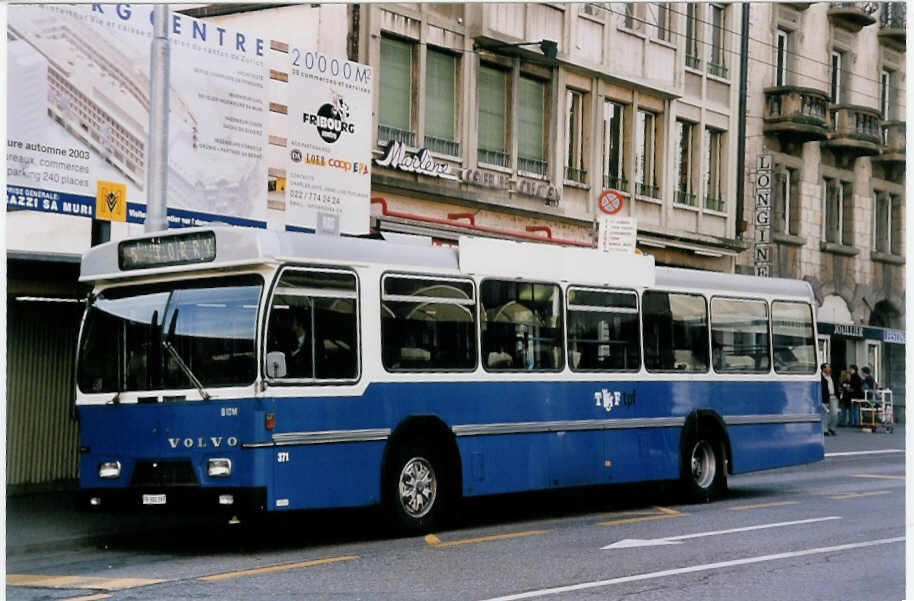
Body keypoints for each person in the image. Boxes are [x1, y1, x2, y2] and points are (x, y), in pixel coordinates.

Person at [286, 312, 312, 377]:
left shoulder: (312, 341)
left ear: (300, 324)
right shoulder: (289, 339)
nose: (290, 323)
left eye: (292, 321)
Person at [820, 362, 838, 436]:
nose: (829, 369)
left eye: (829, 367)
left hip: (833, 396)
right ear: (823, 369)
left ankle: (832, 428)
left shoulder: (832, 376)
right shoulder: (820, 377)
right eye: (828, 367)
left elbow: (836, 385)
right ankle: (825, 429)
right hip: (825, 397)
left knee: (834, 413)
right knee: (825, 414)